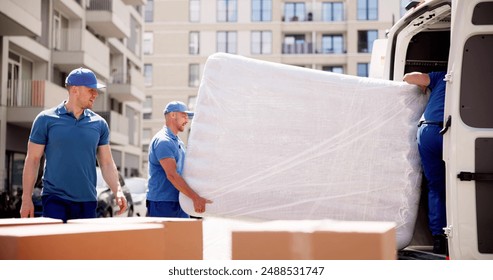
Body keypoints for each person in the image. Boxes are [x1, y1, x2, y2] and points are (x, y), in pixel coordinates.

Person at [20, 67, 127, 222]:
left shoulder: (99, 124)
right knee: (55, 246)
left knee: (84, 247)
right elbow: (32, 160)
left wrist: (117, 190)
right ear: (75, 90)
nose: (95, 94)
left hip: (87, 202)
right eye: (91, 90)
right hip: (55, 200)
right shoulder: (45, 119)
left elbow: (106, 163)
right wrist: (26, 199)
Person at [403, 71, 448, 254]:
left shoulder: (442, 76)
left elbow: (409, 77)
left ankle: (439, 238)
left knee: (436, 186)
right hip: (450, 131)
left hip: (428, 130)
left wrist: (424, 85)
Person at [146, 101, 211, 218]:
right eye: (184, 116)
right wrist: (195, 198)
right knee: (165, 237)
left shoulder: (178, 141)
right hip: (163, 203)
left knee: (183, 236)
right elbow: (172, 175)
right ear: (172, 115)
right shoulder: (163, 141)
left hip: (180, 201)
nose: (187, 120)